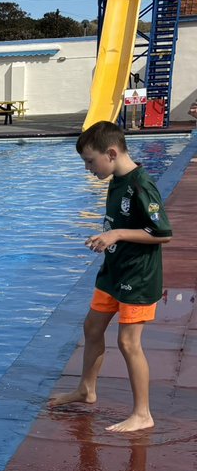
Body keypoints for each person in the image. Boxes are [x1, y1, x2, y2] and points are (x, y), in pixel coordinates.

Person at [47, 121, 173, 431]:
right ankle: (86, 389)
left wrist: (116, 234)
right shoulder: (116, 179)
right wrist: (107, 237)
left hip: (139, 277)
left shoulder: (141, 184)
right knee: (92, 327)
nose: (88, 169)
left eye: (91, 161)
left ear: (112, 153)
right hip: (113, 273)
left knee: (129, 343)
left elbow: (162, 233)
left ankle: (143, 414)